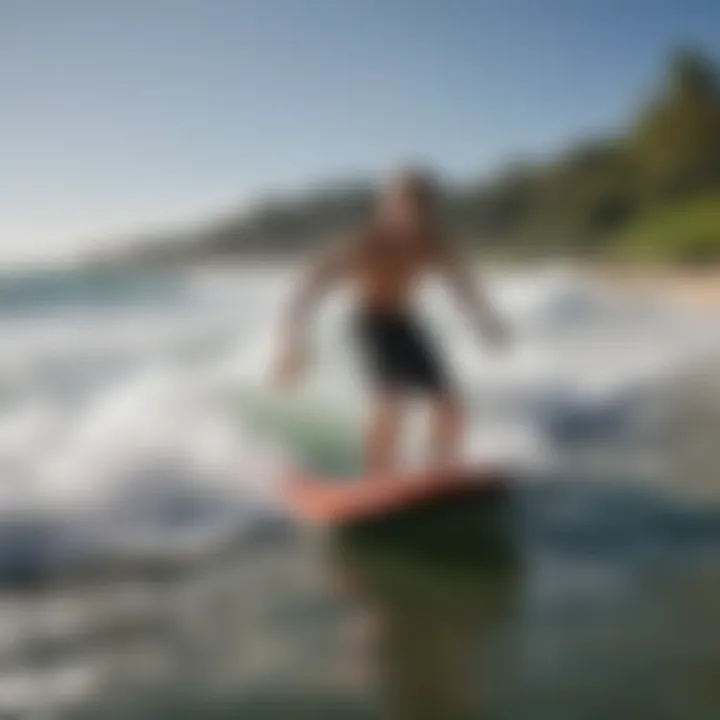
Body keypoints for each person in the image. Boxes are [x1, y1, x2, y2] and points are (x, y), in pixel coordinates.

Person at [273, 167, 508, 473]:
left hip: (404, 321)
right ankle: (379, 474)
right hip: (368, 324)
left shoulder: (433, 242)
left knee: (450, 402)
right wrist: (293, 344)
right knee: (392, 399)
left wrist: (485, 323)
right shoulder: (367, 243)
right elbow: (309, 288)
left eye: (423, 204)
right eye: (407, 203)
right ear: (389, 205)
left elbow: (462, 284)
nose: (415, 212)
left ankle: (442, 469)